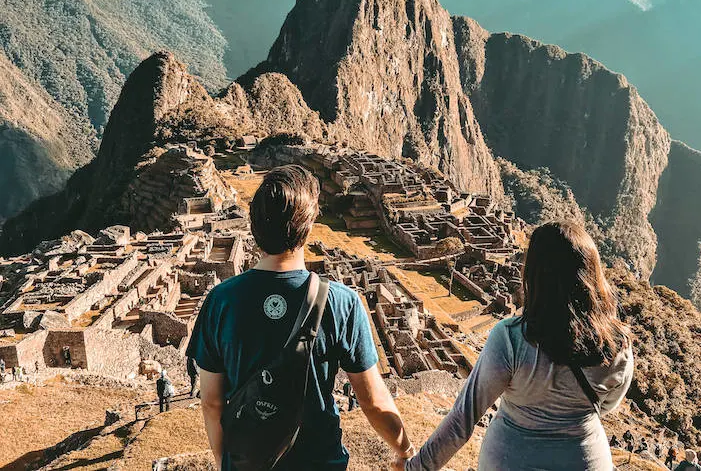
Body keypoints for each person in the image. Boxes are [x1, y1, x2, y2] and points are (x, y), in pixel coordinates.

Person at [187, 165, 415, 470]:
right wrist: (405, 450)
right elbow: (373, 402)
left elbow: (212, 402)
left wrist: (225, 462)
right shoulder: (341, 303)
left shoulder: (220, 301)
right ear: (307, 228)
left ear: (254, 227)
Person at [397, 221, 634, 471]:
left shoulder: (512, 338)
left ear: (534, 273)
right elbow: (605, 406)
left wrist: (415, 468)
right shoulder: (618, 345)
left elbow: (463, 418)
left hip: (511, 460)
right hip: (585, 460)